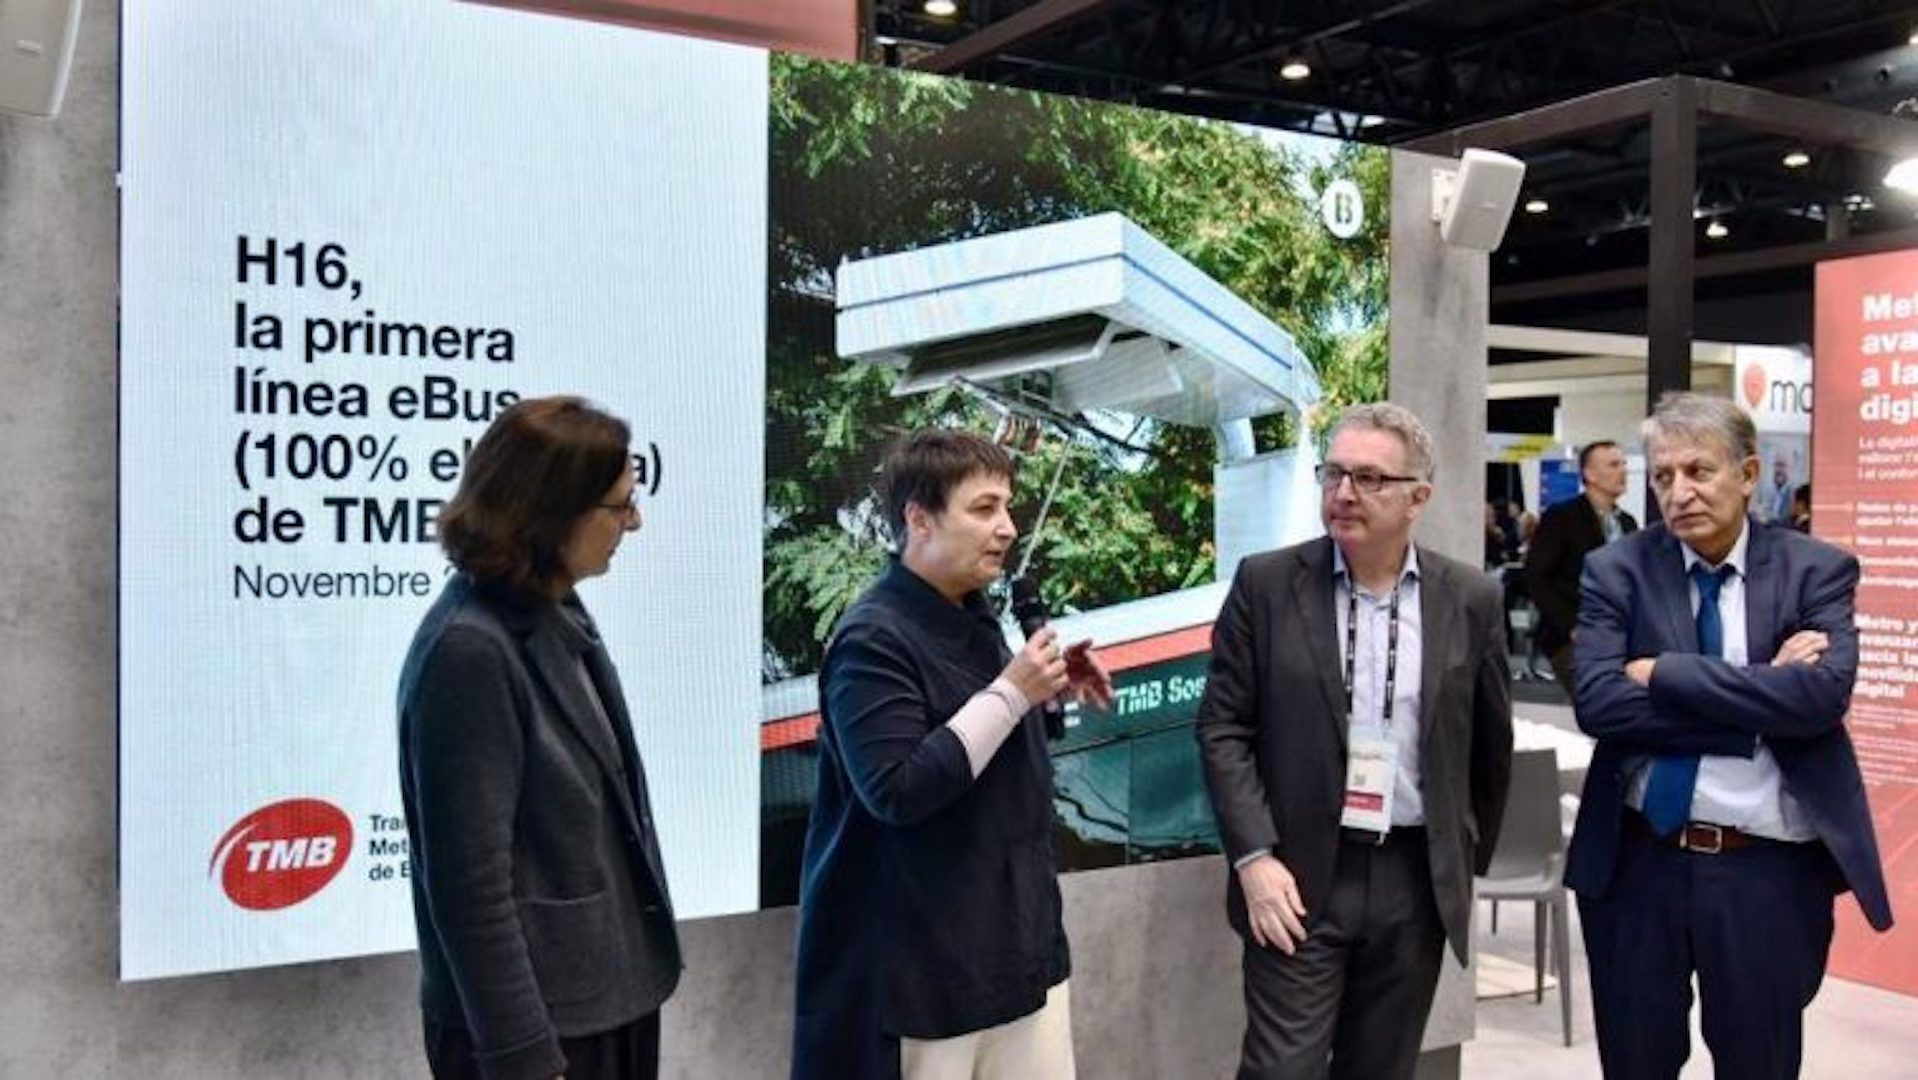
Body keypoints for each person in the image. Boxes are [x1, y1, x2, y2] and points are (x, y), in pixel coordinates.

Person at [1566, 392, 1891, 1079]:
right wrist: (1757, 698)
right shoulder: (1617, 570)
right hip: (1637, 864)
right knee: (1635, 1063)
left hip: (1764, 873)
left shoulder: (1815, 570)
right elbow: (1599, 704)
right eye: (1662, 477)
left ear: (1747, 474)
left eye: (1698, 472)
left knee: (1759, 1065)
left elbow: (1819, 699)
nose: (1678, 493)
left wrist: (1665, 673)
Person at [1194, 402, 1513, 1080]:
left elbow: (1489, 748)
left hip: (1412, 877)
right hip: (1300, 875)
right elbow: (1223, 729)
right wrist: (1254, 857)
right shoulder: (1267, 584)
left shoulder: (1469, 598)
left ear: (1417, 497)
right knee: (1282, 1069)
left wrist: (1455, 867)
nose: (1344, 493)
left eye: (1369, 478)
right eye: (1334, 473)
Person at [791, 429, 1115, 1080]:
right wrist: (1010, 691)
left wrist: (1042, 696)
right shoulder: (871, 638)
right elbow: (898, 788)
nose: (1007, 528)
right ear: (918, 518)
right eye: (984, 508)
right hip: (923, 979)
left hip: (1018, 955)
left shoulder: (975, 616)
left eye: (1008, 508)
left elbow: (984, 752)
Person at [398, 396, 681, 1080]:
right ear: (550, 514)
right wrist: (523, 1057)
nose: (634, 522)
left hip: (608, 997)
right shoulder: (468, 650)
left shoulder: (554, 604)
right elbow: (469, 890)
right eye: (618, 507)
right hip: (539, 1035)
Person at [1524, 440, 1639, 689]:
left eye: (1624, 464)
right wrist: (1571, 626)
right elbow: (1536, 577)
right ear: (1590, 474)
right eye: (1613, 464)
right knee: (1602, 702)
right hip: (1574, 635)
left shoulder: (1627, 524)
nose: (1623, 471)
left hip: (1619, 636)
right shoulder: (1562, 518)